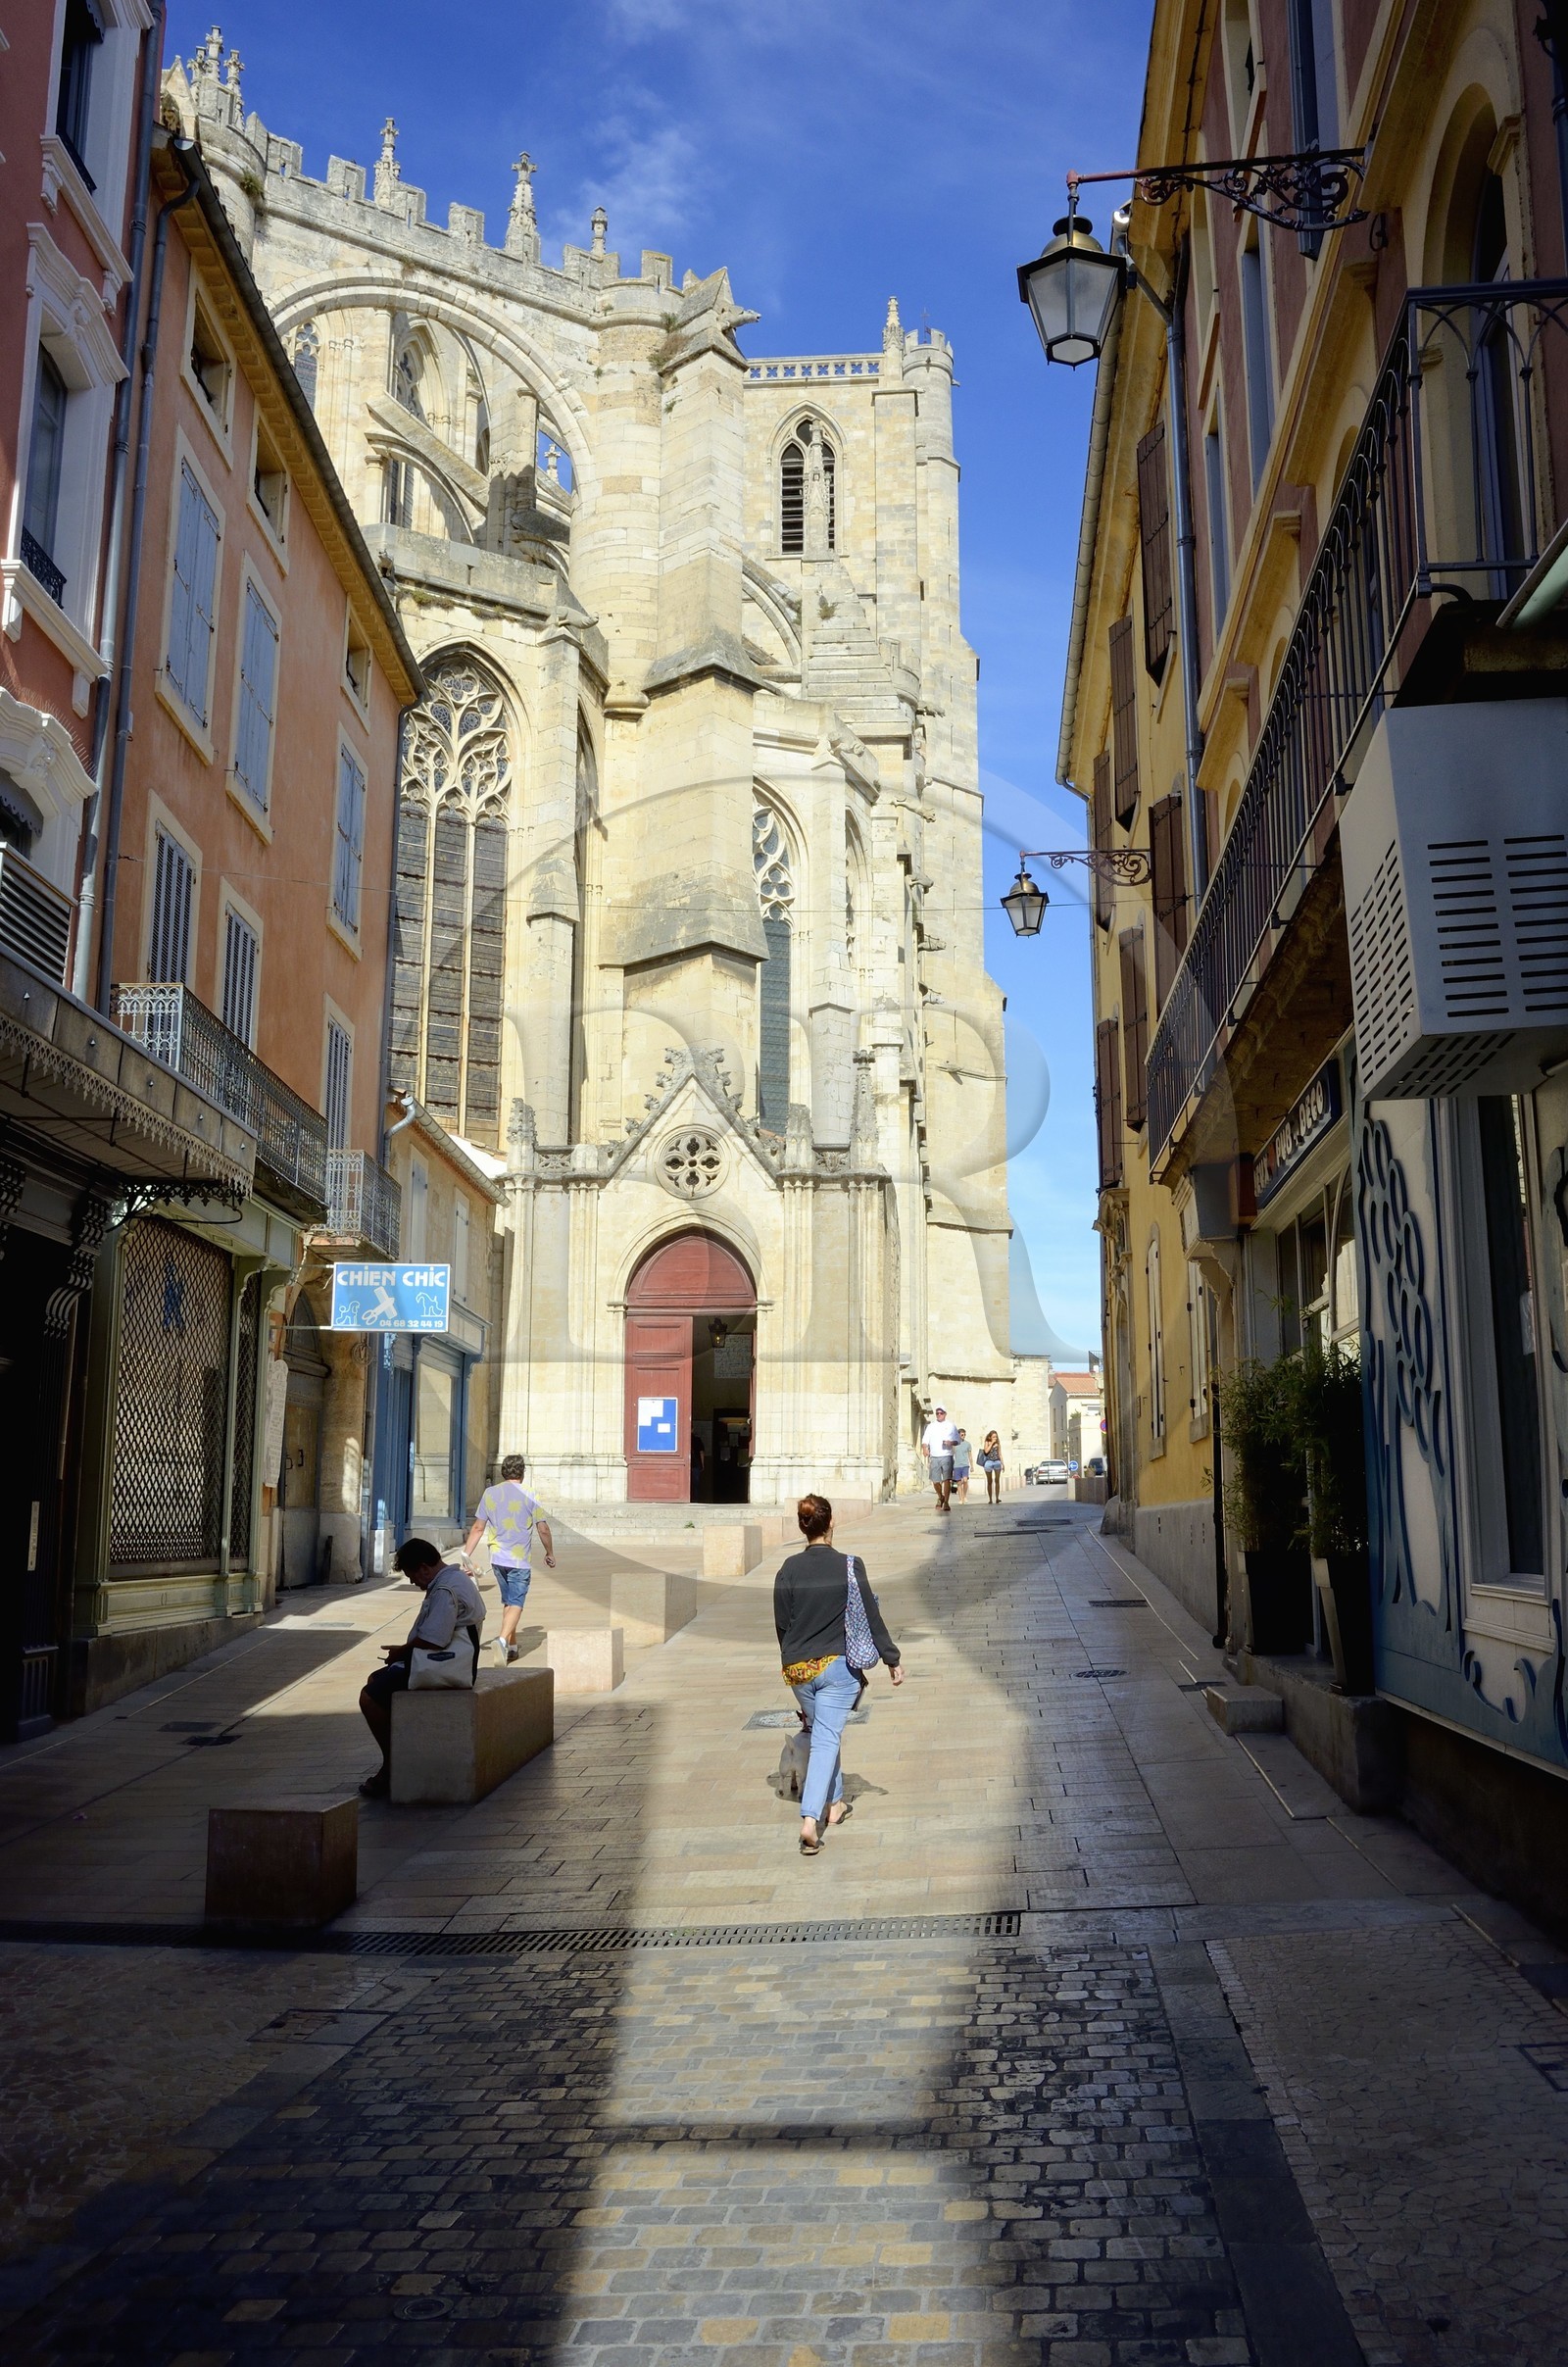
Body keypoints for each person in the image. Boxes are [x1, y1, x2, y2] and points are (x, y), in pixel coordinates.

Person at [773, 1492, 903, 1855]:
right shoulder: (850, 1564)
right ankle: (810, 1820)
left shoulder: (787, 1569)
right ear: (831, 1524)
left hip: (798, 1669)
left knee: (824, 1733)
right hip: (837, 1669)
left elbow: (782, 1625)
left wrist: (793, 1659)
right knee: (827, 1738)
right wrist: (891, 1659)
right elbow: (871, 1618)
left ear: (803, 1527)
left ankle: (836, 1803)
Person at [358, 1538, 485, 1799]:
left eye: (412, 1576)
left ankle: (393, 1764)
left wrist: (400, 1652)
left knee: (369, 1697)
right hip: (451, 1662)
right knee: (376, 1680)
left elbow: (434, 1639)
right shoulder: (458, 1580)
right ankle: (397, 1756)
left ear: (425, 1568)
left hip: (444, 1665)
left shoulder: (444, 1589)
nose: (413, 1583)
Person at [463, 1455, 555, 1662]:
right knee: (517, 1602)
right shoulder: (530, 1493)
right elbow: (543, 1528)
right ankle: (503, 1640)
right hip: (519, 1559)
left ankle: (511, 1647)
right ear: (522, 1472)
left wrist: (466, 1555)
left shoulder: (490, 1493)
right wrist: (549, 1552)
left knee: (508, 1601)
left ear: (503, 1472)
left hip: (497, 1558)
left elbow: (478, 1527)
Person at [920, 1405, 959, 1511]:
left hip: (947, 1455)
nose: (939, 1415)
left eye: (941, 1413)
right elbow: (925, 1439)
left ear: (945, 1414)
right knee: (935, 1480)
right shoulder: (931, 1426)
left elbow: (958, 1440)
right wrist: (925, 1448)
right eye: (937, 1413)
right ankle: (940, 1496)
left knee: (946, 1479)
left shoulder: (951, 1425)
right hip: (935, 1456)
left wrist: (950, 1442)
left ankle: (946, 1502)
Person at [978, 1430, 1004, 1504]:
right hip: (988, 1462)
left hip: (997, 1462)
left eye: (996, 1437)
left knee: (997, 1480)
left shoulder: (998, 1443)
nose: (995, 1438)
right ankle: (990, 1499)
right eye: (993, 1437)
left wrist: (1003, 1463)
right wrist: (991, 1443)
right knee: (989, 1481)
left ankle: (997, 1498)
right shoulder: (987, 1442)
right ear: (990, 1437)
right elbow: (986, 1451)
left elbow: (1000, 1454)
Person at [952, 1429, 973, 1503]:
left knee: (965, 1480)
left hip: (965, 1465)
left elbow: (970, 1456)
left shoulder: (968, 1444)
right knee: (959, 1482)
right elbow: (951, 1454)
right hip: (957, 1465)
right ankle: (961, 1498)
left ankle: (964, 1496)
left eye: (964, 1435)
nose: (963, 1436)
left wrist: (972, 1466)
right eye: (962, 1435)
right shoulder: (954, 1445)